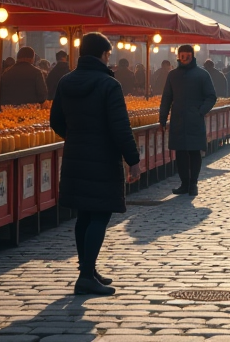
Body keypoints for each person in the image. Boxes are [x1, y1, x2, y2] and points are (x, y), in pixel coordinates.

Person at [50, 32, 141, 297]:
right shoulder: (108, 85)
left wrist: (76, 136)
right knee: (100, 214)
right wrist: (133, 160)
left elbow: (55, 120)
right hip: (103, 159)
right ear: (103, 55)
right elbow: (120, 127)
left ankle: (87, 270)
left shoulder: (66, 82)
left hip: (76, 156)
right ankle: (86, 276)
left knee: (84, 215)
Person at [160, 45, 217, 197]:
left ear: (192, 56)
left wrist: (200, 111)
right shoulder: (173, 75)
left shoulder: (202, 75)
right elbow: (167, 97)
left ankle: (193, 184)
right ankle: (184, 183)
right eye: (182, 55)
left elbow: (211, 96)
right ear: (178, 56)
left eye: (187, 55)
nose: (184, 58)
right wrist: (163, 116)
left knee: (194, 152)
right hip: (178, 119)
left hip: (194, 119)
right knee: (180, 153)